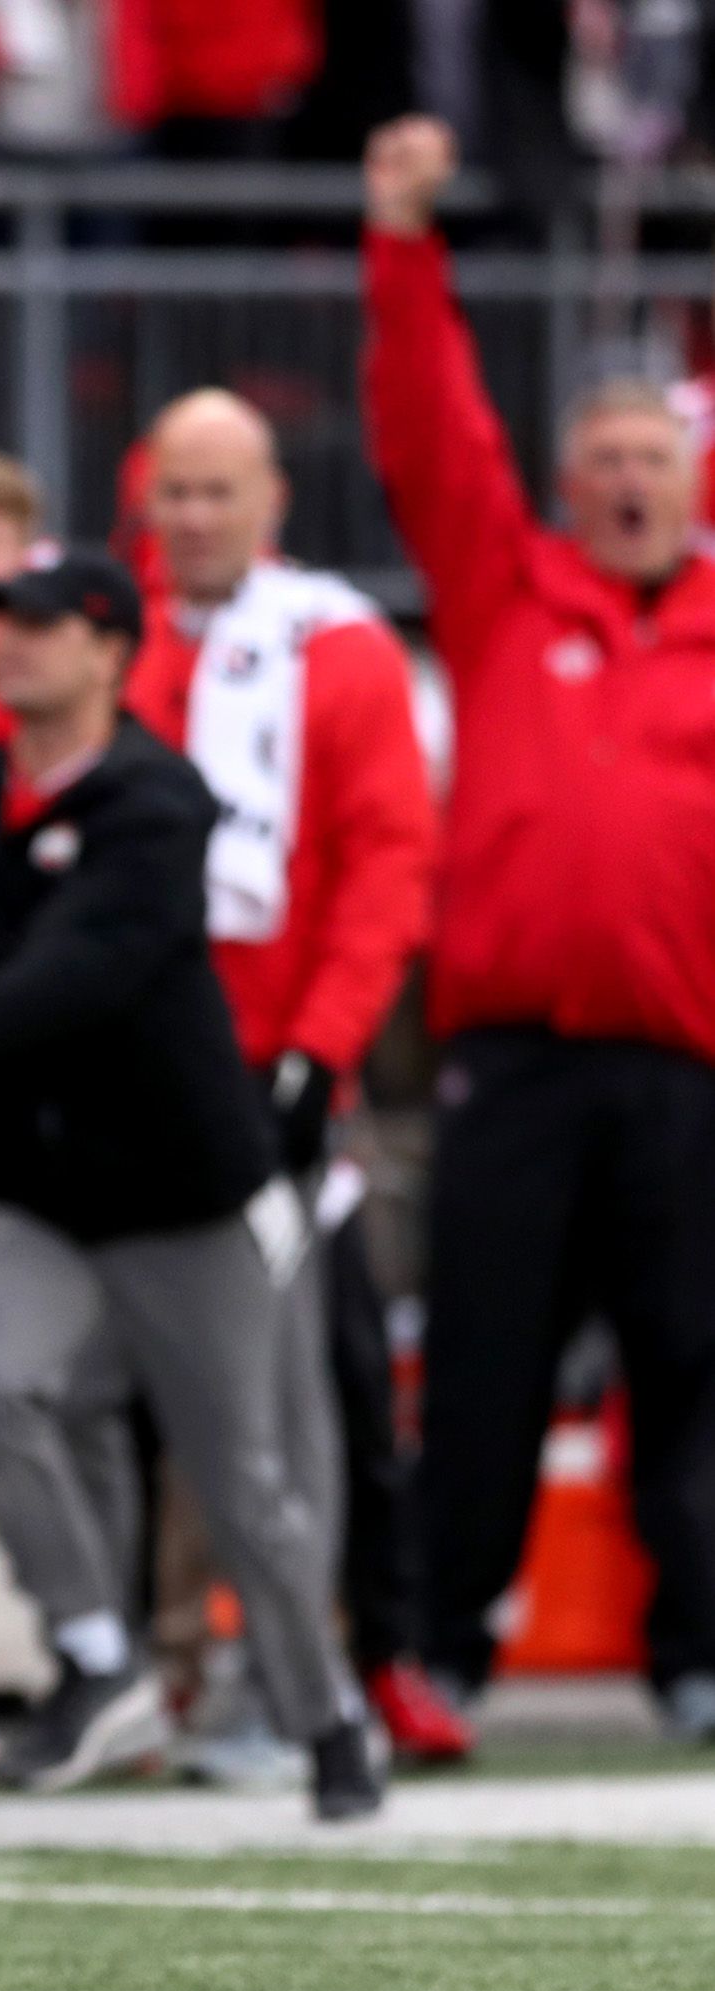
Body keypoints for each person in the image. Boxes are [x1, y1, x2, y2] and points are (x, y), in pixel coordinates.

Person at [0, 551, 381, 1819]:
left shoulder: (156, 800)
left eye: (37, 625)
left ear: (109, 648)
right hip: (38, 1184)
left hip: (182, 1189)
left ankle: (325, 1717)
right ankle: (94, 1651)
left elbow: (65, 983)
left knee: (242, 1474)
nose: (6, 645)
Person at [361, 116, 715, 1737]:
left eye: (657, 456)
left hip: (686, 1070)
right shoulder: (508, 593)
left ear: (691, 480)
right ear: (571, 488)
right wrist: (402, 244)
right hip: (510, 1060)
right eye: (609, 460)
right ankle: (443, 1645)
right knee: (486, 1367)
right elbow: (433, 429)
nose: (632, 478)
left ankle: (698, 1650)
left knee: (694, 1376)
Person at [122, 387, 443, 1774]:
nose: (194, 519)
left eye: (217, 492)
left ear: (269, 502)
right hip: (138, 1061)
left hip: (275, 1068)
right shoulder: (107, 634)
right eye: (174, 493)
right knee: (146, 1382)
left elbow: (385, 863)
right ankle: (158, 1666)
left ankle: (310, 1661)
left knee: (304, 1379)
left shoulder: (339, 647)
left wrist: (323, 1044)